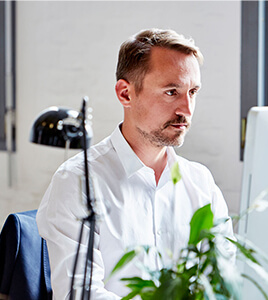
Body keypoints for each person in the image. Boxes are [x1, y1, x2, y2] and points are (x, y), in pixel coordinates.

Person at [36, 28, 235, 299]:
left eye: (193, 92)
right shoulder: (77, 182)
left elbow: (223, 282)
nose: (186, 110)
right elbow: (80, 295)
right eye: (171, 91)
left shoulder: (201, 184)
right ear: (125, 94)